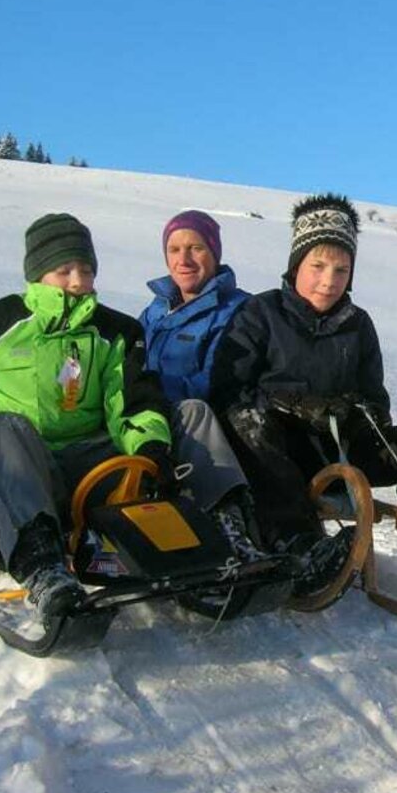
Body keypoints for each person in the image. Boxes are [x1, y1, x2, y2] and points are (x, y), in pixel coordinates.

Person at [210, 193, 397, 601]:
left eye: (341, 269)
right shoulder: (261, 313)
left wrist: (357, 410)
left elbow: (377, 399)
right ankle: (300, 547)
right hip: (281, 452)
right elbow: (229, 390)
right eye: (318, 266)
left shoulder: (357, 325)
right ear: (296, 265)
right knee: (249, 420)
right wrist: (291, 404)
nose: (329, 280)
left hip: (344, 447)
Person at [0, 212, 177, 622]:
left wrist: (151, 453)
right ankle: (43, 568)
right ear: (36, 274)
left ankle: (207, 543)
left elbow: (131, 403)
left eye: (85, 270)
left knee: (186, 415)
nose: (76, 281)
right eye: (64, 269)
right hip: (25, 477)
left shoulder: (113, 331)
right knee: (2, 427)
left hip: (92, 475)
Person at [138, 209, 265, 564]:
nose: (184, 259)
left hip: (203, 421)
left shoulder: (239, 310)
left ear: (214, 253)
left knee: (194, 411)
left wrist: (154, 399)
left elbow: (218, 379)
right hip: (150, 417)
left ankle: (230, 524)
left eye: (196, 248)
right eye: (175, 249)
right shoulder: (156, 310)